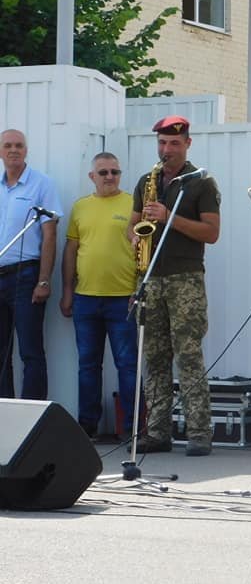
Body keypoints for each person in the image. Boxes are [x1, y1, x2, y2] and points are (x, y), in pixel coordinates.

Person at [128, 115, 220, 456]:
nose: (167, 149)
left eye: (174, 144)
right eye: (163, 143)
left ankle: (199, 433)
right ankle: (157, 432)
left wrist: (169, 217)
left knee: (189, 355)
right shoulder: (146, 180)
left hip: (185, 278)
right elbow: (133, 226)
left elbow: (211, 233)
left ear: (187, 144)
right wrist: (135, 236)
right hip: (150, 277)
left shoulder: (201, 182)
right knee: (154, 357)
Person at [60, 153, 138, 438]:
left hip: (123, 300)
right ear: (92, 176)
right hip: (85, 299)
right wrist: (67, 291)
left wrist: (137, 290)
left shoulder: (133, 204)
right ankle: (87, 428)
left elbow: (144, 250)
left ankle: (131, 431)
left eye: (115, 172)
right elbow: (70, 250)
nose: (109, 177)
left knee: (128, 366)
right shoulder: (80, 207)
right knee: (88, 366)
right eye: (103, 172)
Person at [0, 128, 61, 400]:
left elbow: (50, 233)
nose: (14, 150)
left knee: (30, 351)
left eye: (19, 145)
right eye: (8, 145)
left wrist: (44, 279)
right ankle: (5, 415)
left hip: (26, 277)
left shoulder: (41, 184)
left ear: (26, 150)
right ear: (0, 151)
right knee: (1, 353)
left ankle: (32, 417)